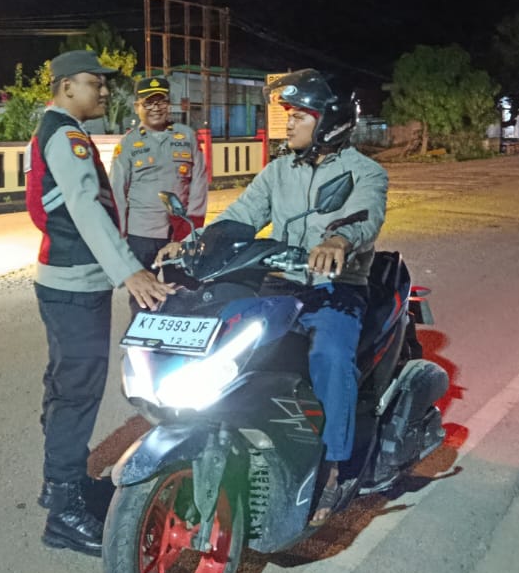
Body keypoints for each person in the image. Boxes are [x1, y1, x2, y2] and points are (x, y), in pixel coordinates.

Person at [156, 69, 387, 526]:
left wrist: (338, 241)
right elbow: (242, 214)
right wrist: (194, 243)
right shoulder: (279, 170)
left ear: (328, 122)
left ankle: (335, 466)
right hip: (280, 283)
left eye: (299, 116)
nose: (289, 124)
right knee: (221, 337)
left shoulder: (365, 172)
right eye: (288, 115)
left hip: (334, 290)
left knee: (330, 357)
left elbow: (366, 216)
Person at [26, 49, 176, 556]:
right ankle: (64, 511)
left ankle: (65, 482)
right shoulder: (65, 135)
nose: (106, 91)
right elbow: (85, 208)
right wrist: (129, 270)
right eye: (96, 82)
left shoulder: (60, 130)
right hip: (74, 283)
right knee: (77, 390)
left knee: (68, 382)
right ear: (67, 86)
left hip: (67, 279)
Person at [108, 75, 208, 316]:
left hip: (180, 234)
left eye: (161, 101)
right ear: (137, 106)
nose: (155, 108)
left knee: (185, 295)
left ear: (169, 104)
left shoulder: (186, 136)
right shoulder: (129, 143)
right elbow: (117, 192)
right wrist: (120, 237)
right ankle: (142, 338)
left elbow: (199, 185)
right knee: (144, 301)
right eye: (148, 102)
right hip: (141, 235)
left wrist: (190, 233)